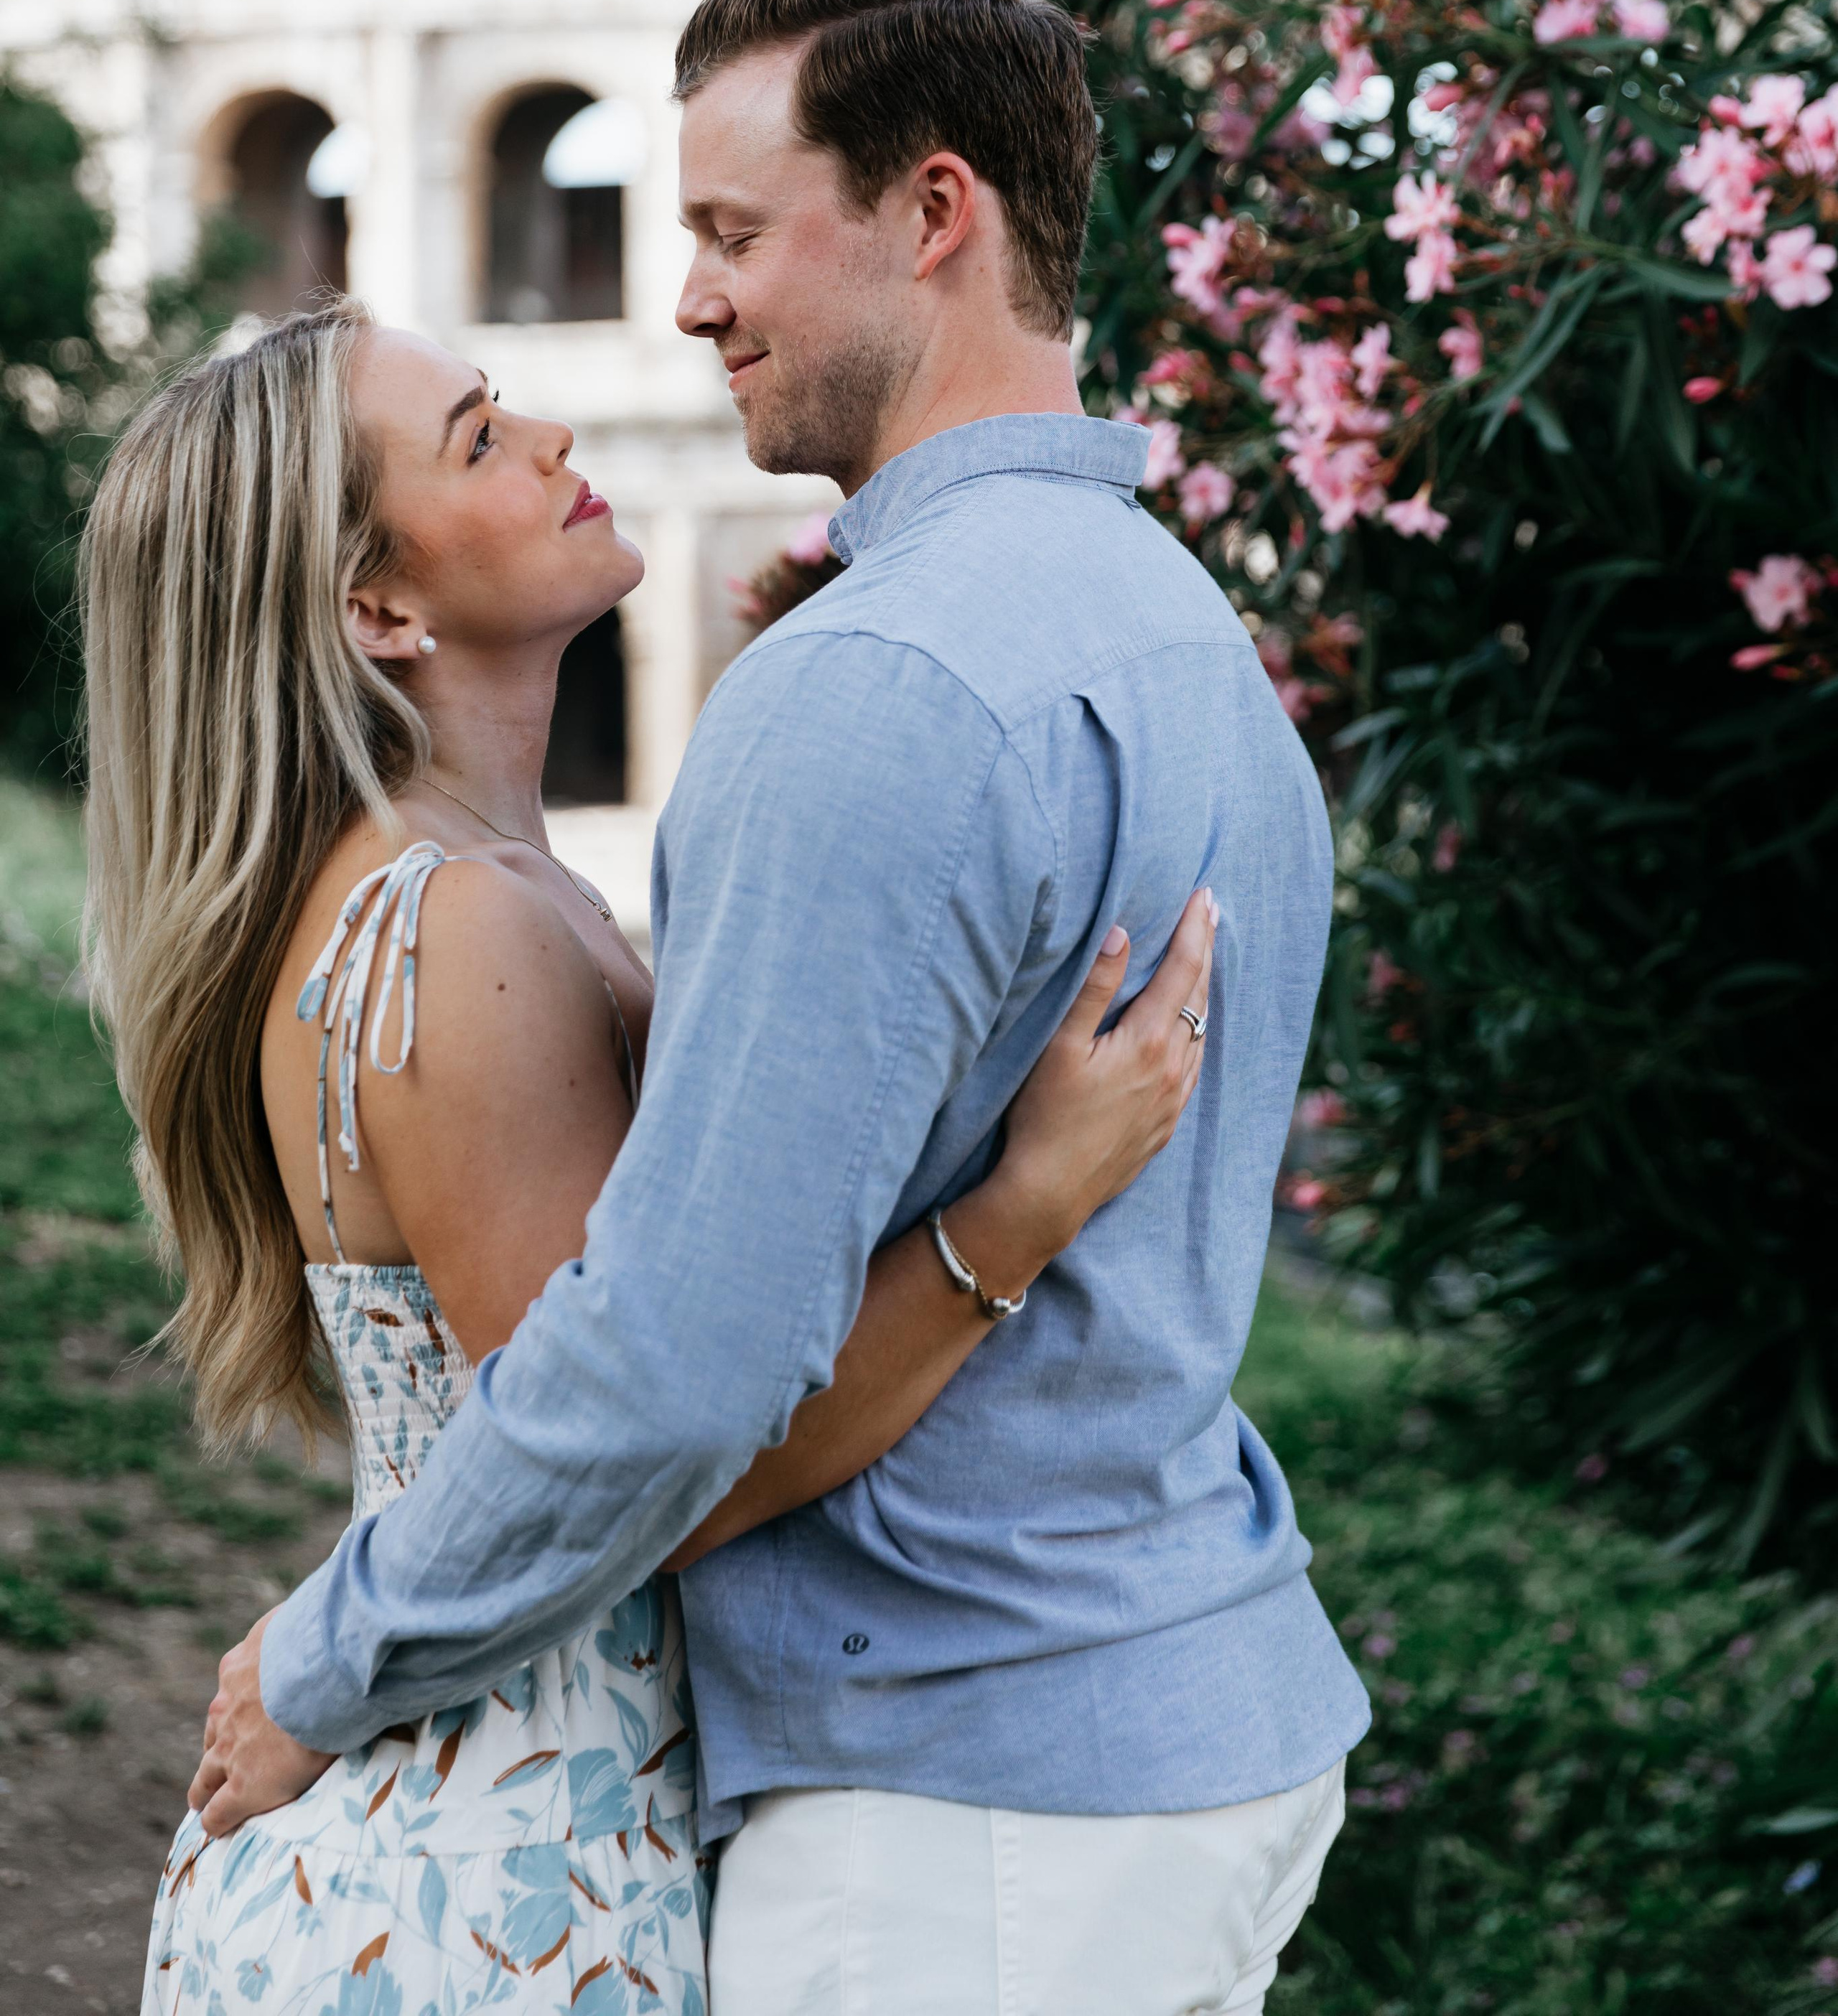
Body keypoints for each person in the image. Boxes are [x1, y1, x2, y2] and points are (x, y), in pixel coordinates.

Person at [187, 0, 1371, 2015]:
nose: (689, 300)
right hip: (1176, 1714)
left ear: (934, 217)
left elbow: (665, 1369)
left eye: (735, 232)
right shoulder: (1177, 626)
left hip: (967, 1798)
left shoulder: (870, 689)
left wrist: (320, 1657)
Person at [84, 297, 1216, 2016]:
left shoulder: (490, 897)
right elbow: (652, 1464)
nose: (546, 436)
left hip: (507, 1814)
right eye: (475, 436)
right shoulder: (454, 938)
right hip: (507, 1870)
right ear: (374, 608)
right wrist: (1026, 1205)